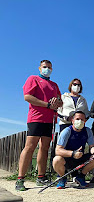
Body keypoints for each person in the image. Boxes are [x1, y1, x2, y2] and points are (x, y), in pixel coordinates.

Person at [16, 60, 62, 191]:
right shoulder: (33, 78)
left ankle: (40, 177)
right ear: (39, 68)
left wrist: (57, 102)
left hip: (50, 120)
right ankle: (20, 179)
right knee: (30, 147)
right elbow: (27, 97)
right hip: (36, 118)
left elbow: (60, 102)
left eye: (49, 67)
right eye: (45, 67)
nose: (47, 69)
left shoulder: (54, 85)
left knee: (44, 148)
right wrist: (47, 104)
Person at [53, 111, 94, 189]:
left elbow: (92, 146)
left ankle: (81, 177)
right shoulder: (67, 131)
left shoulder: (88, 131)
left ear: (85, 121)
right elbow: (58, 150)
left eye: (82, 119)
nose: (80, 121)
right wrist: (73, 154)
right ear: (72, 120)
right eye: (77, 119)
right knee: (56, 159)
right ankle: (62, 178)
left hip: (80, 158)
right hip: (67, 159)